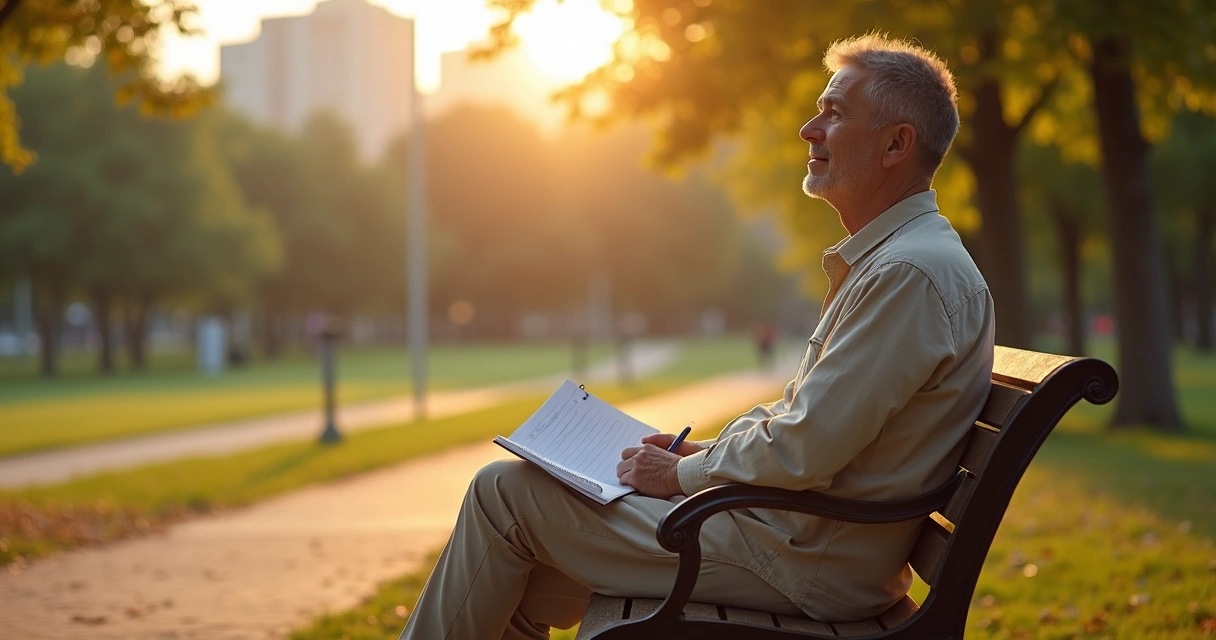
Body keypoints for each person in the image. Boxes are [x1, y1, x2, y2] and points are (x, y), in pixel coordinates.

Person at [399, 33, 995, 640]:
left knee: (503, 493)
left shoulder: (907, 274)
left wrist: (680, 477)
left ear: (897, 144)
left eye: (834, 113)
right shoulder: (901, 260)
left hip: (801, 562)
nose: (808, 130)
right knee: (519, 565)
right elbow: (807, 423)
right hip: (792, 537)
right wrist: (698, 454)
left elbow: (803, 448)